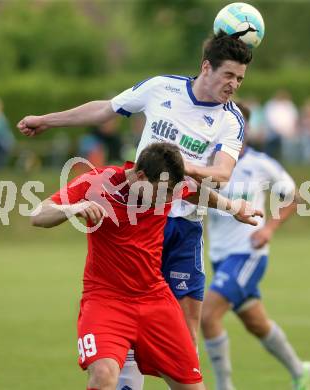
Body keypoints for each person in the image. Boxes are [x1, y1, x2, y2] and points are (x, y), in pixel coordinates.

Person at [18, 31, 252, 388]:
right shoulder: (162, 89)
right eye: (229, 75)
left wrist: (180, 173)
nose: (234, 84)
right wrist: (47, 120)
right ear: (207, 67)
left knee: (185, 343)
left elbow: (221, 174)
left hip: (182, 221)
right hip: (139, 211)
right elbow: (105, 109)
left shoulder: (230, 119)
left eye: (240, 78)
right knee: (118, 346)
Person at [30, 142, 261, 390]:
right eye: (164, 193)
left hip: (155, 299)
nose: (170, 199)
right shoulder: (97, 183)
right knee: (104, 374)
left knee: (192, 386)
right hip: (106, 301)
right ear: (140, 177)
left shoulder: (168, 187)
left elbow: (193, 191)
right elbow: (38, 214)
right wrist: (74, 207)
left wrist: (233, 207)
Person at [201, 105, 310, 390]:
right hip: (219, 257)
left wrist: (268, 229)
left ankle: (224, 386)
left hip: (247, 254)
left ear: (245, 129)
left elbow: (294, 197)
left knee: (208, 316)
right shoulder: (209, 164)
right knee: (256, 323)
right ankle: (300, 371)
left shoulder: (261, 164)